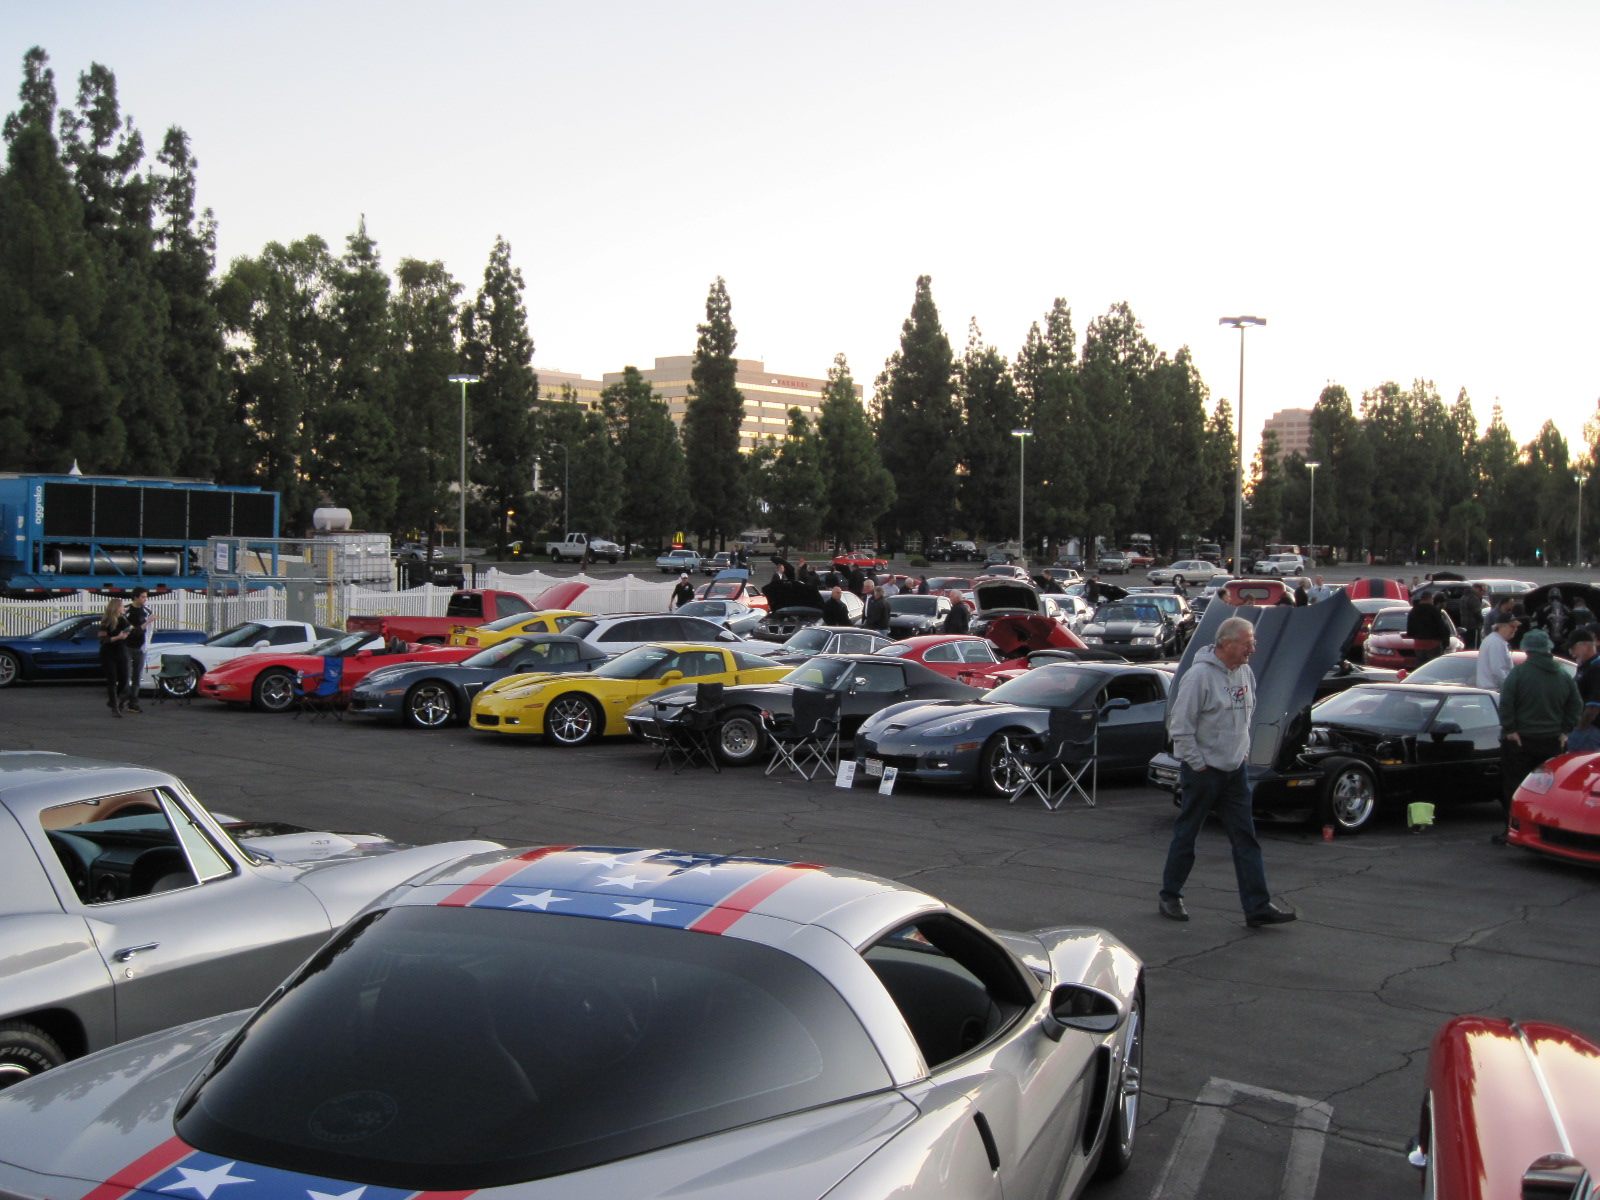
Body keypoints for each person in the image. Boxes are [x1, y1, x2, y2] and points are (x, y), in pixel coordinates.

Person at [1159, 616, 1296, 927]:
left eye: (1253, 643)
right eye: (1248, 643)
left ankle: (1257, 906)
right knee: (1187, 834)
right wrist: (1198, 762)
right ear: (1227, 644)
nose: (1253, 649)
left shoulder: (1244, 672)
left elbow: (1247, 714)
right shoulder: (1199, 677)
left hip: (1235, 772)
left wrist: (1242, 753)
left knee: (1246, 839)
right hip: (1204, 772)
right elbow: (1179, 727)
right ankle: (1170, 894)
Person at [1495, 630, 1582, 844]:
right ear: (1549, 649)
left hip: (1520, 742)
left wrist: (1511, 728)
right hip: (1552, 742)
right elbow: (1576, 705)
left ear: (1527, 650)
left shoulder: (1519, 673)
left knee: (1515, 789)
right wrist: (1564, 731)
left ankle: (1512, 832)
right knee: (1548, 791)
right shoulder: (1563, 675)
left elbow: (1505, 703)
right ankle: (1549, 834)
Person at [97, 597, 133, 717]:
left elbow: (129, 630)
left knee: (124, 678)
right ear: (116, 607)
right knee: (112, 679)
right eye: (122, 606)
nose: (124, 609)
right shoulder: (106, 621)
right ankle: (114, 707)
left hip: (121, 651)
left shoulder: (124, 620)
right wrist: (118, 637)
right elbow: (102, 639)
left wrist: (128, 633)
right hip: (108, 653)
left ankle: (120, 700)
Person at [1565, 631, 1600, 753]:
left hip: (1590, 731)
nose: (1571, 653)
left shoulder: (1596, 668)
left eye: (1572, 648)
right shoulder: (1586, 666)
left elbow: (1595, 705)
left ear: (1584, 645)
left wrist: (1581, 728)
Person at [122, 587, 152, 713]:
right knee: (126, 674)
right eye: (143, 597)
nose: (145, 599)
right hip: (127, 646)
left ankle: (133, 702)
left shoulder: (146, 611)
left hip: (140, 647)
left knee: (137, 675)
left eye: (146, 597)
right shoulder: (126, 611)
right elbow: (131, 631)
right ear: (136, 597)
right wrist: (147, 622)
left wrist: (146, 644)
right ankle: (122, 700)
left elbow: (149, 631)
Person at [1405, 590, 1451, 666]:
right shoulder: (1434, 610)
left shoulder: (1414, 611)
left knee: (1420, 667)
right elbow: (1441, 627)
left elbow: (1410, 630)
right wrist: (1444, 639)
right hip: (1433, 644)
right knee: (1432, 666)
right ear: (1430, 598)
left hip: (1418, 644)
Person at [1477, 617, 1517, 691]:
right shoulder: (1496, 642)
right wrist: (1511, 688)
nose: (1515, 629)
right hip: (1494, 691)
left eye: (1516, 627)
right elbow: (1498, 670)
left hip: (1489, 691)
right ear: (1501, 626)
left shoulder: (1494, 640)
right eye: (1512, 626)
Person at [1459, 583, 1486, 650]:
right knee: (1475, 647)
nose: (1484, 593)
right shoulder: (1474, 598)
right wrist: (1483, 621)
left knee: (1467, 646)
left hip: (1466, 625)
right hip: (1474, 626)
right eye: (1483, 590)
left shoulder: (1464, 596)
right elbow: (1477, 613)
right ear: (1477, 589)